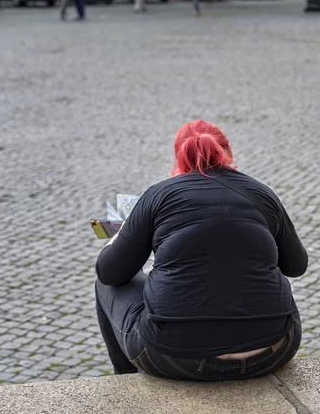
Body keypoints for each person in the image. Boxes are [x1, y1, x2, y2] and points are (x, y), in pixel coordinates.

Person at [95, 119, 308, 381]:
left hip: (175, 358)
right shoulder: (262, 193)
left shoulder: (157, 195)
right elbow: (296, 266)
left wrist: (116, 239)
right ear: (228, 151)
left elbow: (110, 273)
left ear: (179, 158)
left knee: (105, 285)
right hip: (274, 351)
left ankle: (125, 381)